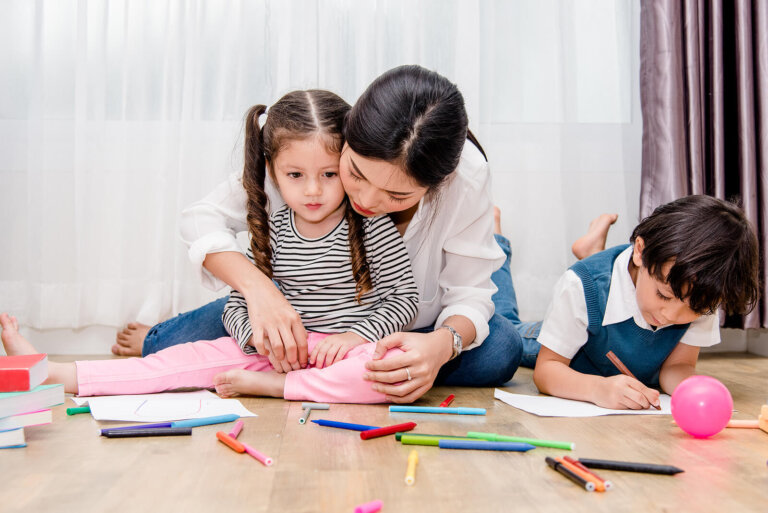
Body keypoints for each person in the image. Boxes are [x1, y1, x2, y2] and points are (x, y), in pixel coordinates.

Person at [113, 65, 524, 402]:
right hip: (305, 321)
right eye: (355, 174)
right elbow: (199, 219)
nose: (366, 199)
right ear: (349, 137)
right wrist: (261, 292)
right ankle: (493, 245)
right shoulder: (313, 160)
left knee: (503, 349)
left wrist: (440, 347)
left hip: (400, 324)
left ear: (438, 183)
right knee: (162, 351)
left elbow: (469, 294)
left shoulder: (465, 179)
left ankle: (493, 241)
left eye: (397, 194)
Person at [0, 90, 420, 403]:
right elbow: (239, 301)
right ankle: (47, 372)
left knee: (384, 375)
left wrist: (353, 336)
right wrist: (255, 337)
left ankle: (277, 389)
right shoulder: (270, 223)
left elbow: (404, 299)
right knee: (169, 367)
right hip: (273, 355)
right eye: (295, 175)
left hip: (342, 353)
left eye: (329, 175)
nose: (313, 191)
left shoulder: (370, 225)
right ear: (272, 171)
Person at [528, 196, 759, 409]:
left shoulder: (700, 293)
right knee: (509, 330)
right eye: (663, 295)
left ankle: (592, 251)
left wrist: (695, 391)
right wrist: (597, 389)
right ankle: (500, 242)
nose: (670, 315)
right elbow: (547, 371)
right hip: (553, 337)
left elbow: (676, 367)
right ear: (640, 251)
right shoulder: (579, 285)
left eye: (693, 309)